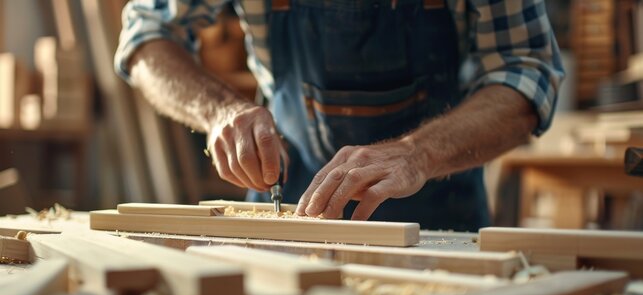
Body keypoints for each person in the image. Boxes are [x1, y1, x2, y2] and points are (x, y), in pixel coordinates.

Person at [115, 0, 564, 231]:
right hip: (289, 213)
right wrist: (219, 111)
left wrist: (418, 153)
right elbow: (147, 33)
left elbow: (528, 68)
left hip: (439, 219)